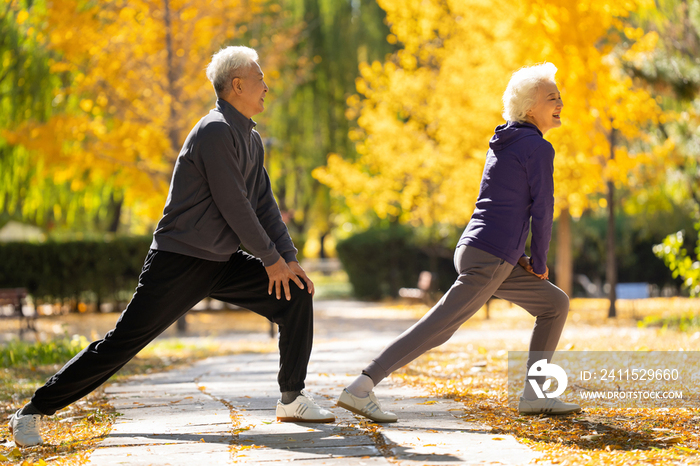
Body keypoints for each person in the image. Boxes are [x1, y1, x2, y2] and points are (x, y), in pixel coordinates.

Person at [9, 45, 335, 448]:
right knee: (122, 343)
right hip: (179, 260)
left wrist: (288, 260)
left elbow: (264, 203)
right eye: (260, 78)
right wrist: (269, 259)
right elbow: (233, 204)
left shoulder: (250, 138)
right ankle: (34, 411)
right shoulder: (215, 130)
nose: (267, 86)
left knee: (295, 293)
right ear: (237, 85)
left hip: (221, 261)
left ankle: (292, 398)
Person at [337, 62, 580, 422]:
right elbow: (542, 210)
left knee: (554, 304)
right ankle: (362, 386)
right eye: (551, 97)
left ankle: (535, 393)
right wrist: (540, 262)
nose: (560, 101)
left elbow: (505, 204)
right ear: (530, 107)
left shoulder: (506, 140)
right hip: (491, 258)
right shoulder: (537, 148)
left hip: (482, 250)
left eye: (559, 95)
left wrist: (521, 257)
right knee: (437, 328)